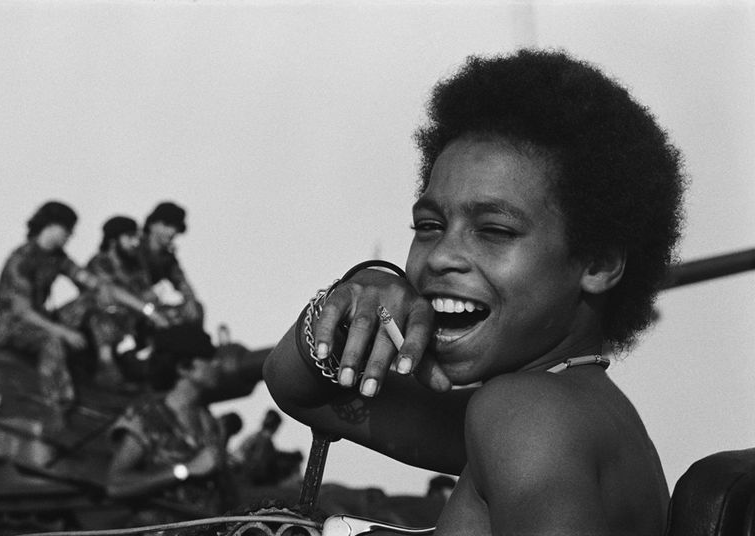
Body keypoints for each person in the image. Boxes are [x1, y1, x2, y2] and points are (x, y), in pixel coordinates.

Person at [264, 48, 685, 535]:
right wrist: (365, 290)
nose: (442, 256)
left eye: (494, 230)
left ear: (599, 262)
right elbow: (296, 387)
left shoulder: (527, 414)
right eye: (429, 225)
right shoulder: (567, 407)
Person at [105, 324, 232, 525]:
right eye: (208, 359)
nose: (217, 364)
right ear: (184, 368)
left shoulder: (210, 423)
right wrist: (184, 470)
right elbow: (116, 485)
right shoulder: (147, 417)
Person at [0, 201, 101, 409]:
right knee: (52, 341)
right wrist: (63, 332)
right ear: (51, 226)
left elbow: (84, 278)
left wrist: (104, 288)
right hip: (14, 325)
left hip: (41, 317)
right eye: (67, 229)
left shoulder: (57, 258)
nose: (70, 235)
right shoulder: (22, 260)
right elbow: (22, 311)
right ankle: (58, 403)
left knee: (89, 302)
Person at [84, 215, 169, 383]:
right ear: (114, 240)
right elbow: (113, 292)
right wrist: (147, 310)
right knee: (104, 318)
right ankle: (106, 366)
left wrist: (152, 306)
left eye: (136, 237)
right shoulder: (100, 262)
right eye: (130, 237)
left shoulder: (136, 264)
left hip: (135, 322)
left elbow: (147, 292)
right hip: (105, 323)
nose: (135, 242)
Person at [138, 201, 203, 326]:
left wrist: (190, 299)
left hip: (151, 306)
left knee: (195, 309)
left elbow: (180, 280)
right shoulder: (133, 249)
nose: (172, 232)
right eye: (167, 225)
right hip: (130, 307)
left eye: (175, 227)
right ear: (152, 224)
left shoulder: (167, 257)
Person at [232, 408, 303, 487]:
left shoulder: (254, 437)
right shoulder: (264, 440)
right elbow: (259, 465)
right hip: (246, 476)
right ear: (276, 426)